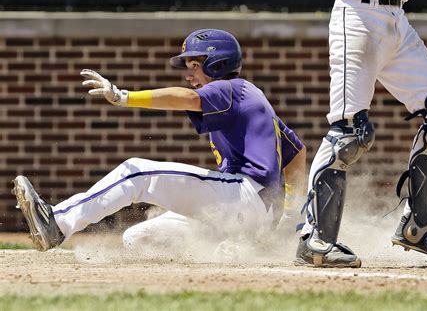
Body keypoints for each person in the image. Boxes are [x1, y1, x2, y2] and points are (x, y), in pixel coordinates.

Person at [12, 29, 306, 254]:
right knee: (138, 239)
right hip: (243, 214)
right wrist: (287, 216)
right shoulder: (249, 97)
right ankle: (238, 250)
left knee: (136, 171)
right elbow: (297, 153)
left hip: (245, 196)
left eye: (194, 64)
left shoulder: (231, 88)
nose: (189, 74)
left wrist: (124, 96)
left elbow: (189, 99)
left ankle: (58, 224)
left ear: (219, 62)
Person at [295, 0, 427, 268]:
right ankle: (314, 239)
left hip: (398, 21)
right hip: (358, 17)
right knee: (349, 134)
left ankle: (418, 227)